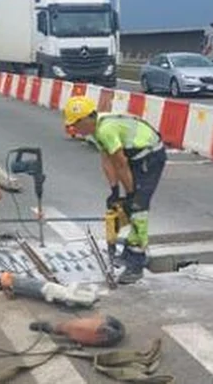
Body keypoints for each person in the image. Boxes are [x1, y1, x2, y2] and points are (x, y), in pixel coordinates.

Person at [63, 95, 166, 284]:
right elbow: (107, 160)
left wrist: (130, 194)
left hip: (149, 157)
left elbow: (121, 164)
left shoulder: (106, 130)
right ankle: (130, 253)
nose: (74, 129)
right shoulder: (95, 130)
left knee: (138, 210)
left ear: (86, 119)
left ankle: (137, 263)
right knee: (130, 206)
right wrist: (114, 191)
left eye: (76, 125)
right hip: (134, 156)